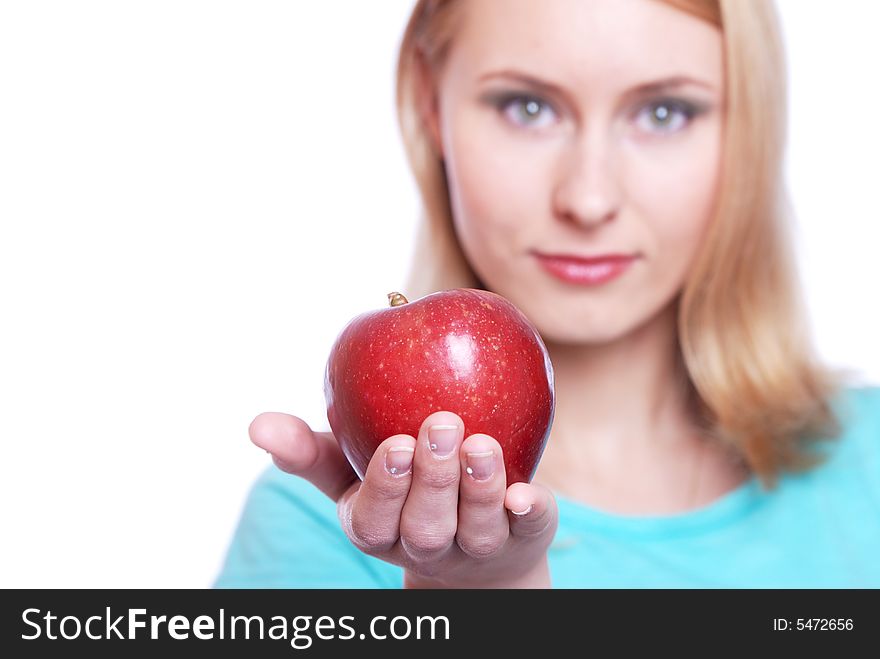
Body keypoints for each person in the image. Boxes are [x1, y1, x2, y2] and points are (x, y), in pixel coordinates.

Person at [214, 0, 880, 588]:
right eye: (526, 107)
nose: (588, 199)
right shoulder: (330, 524)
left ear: (749, 129)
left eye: (664, 112)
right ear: (430, 106)